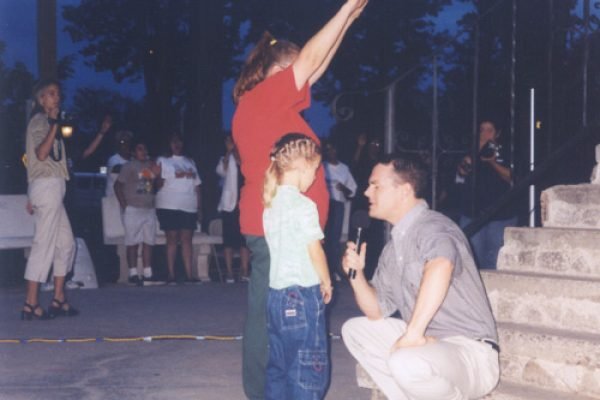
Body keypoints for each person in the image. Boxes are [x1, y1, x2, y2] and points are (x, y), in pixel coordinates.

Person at [231, 1, 368, 397]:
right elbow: (310, 58)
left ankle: (280, 388)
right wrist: (343, 9)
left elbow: (317, 63)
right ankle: (263, 391)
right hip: (275, 227)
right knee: (268, 316)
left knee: (282, 314)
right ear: (277, 73)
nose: (305, 80)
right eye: (294, 73)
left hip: (286, 226)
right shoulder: (262, 99)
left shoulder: (275, 105)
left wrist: (351, 20)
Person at [341, 153, 499, 400]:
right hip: (430, 346)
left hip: (470, 352)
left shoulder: (434, 227)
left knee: (406, 361)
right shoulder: (393, 248)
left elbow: (441, 265)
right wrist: (357, 275)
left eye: (375, 185)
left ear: (404, 191)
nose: (366, 192)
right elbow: (376, 311)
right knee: (355, 331)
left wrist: (413, 333)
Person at [262, 133, 333, 399]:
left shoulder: (270, 205)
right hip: (301, 294)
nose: (315, 177)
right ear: (303, 165)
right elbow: (314, 249)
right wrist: (326, 281)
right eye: (314, 169)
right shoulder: (304, 206)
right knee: (307, 367)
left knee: (279, 365)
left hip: (276, 297)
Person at [22, 78, 79, 320]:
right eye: (52, 94)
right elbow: (41, 154)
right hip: (46, 187)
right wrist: (54, 123)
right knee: (44, 243)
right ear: (41, 99)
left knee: (66, 244)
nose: (57, 97)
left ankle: (58, 298)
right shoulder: (39, 122)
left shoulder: (49, 123)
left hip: (54, 188)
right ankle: (30, 303)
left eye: (58, 94)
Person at [456, 119, 517, 269]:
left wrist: (492, 162)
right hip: (473, 214)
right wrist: (475, 155)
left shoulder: (506, 152)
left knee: (496, 260)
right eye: (482, 130)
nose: (485, 134)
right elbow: (460, 174)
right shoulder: (471, 151)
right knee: (473, 259)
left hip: (501, 215)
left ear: (497, 133)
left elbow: (512, 177)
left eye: (490, 130)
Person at [155, 134, 202, 284]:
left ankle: (189, 275)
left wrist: (199, 207)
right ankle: (171, 275)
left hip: (188, 205)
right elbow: (157, 184)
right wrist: (156, 177)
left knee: (187, 239)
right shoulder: (162, 160)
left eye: (179, 141)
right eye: (173, 141)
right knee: (172, 239)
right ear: (169, 144)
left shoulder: (190, 161)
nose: (177, 144)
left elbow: (197, 186)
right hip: (169, 205)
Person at [114, 139, 157, 286]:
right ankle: (133, 272)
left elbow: (150, 186)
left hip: (149, 209)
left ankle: (147, 272)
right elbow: (117, 185)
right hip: (133, 209)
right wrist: (124, 205)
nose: (143, 152)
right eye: (140, 149)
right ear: (134, 152)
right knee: (132, 242)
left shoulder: (150, 165)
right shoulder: (129, 166)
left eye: (145, 149)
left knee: (148, 241)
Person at [216, 135, 250, 283]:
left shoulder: (245, 157)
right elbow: (220, 171)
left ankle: (244, 271)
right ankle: (229, 273)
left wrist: (237, 155)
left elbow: (247, 171)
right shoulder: (225, 158)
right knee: (228, 240)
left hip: (244, 204)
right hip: (229, 205)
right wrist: (229, 153)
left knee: (244, 241)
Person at [322, 140, 357, 281]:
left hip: (338, 207)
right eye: (328, 149)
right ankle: (324, 271)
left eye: (333, 149)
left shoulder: (344, 168)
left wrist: (343, 188)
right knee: (324, 239)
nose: (331, 152)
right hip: (325, 205)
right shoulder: (322, 166)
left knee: (335, 241)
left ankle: (334, 270)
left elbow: (352, 191)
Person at [105, 130, 133, 197]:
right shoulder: (113, 159)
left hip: (126, 199)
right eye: (123, 142)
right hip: (112, 198)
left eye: (128, 142)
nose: (126, 145)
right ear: (118, 144)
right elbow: (119, 168)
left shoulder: (132, 160)